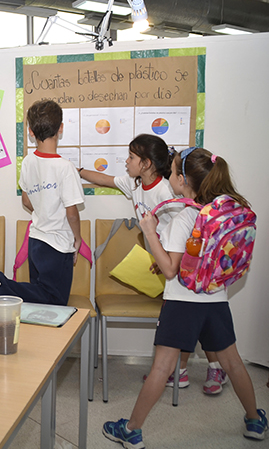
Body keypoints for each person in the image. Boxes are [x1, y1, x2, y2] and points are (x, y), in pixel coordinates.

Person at [103, 147, 267, 449]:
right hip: (216, 302)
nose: (171, 175)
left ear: (183, 180)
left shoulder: (184, 217)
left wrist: (150, 233)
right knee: (232, 363)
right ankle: (255, 419)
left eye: (174, 171)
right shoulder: (220, 213)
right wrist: (165, 257)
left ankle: (131, 430)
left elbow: (169, 270)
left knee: (161, 368)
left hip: (181, 303)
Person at [80, 136, 224, 394]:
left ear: (146, 164)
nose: (126, 161)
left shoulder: (168, 192)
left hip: (181, 261)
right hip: (164, 260)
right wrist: (76, 171)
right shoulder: (134, 184)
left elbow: (190, 228)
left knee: (193, 317)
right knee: (192, 317)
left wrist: (168, 258)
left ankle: (200, 368)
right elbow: (105, 179)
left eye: (131, 157)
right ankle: (180, 370)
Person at [0, 99, 83, 306]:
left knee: (39, 303)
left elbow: (26, 200)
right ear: (60, 128)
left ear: (31, 131)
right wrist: (77, 239)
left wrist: (43, 210)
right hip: (57, 245)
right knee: (55, 301)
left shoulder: (27, 161)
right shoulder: (65, 167)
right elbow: (72, 213)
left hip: (36, 242)